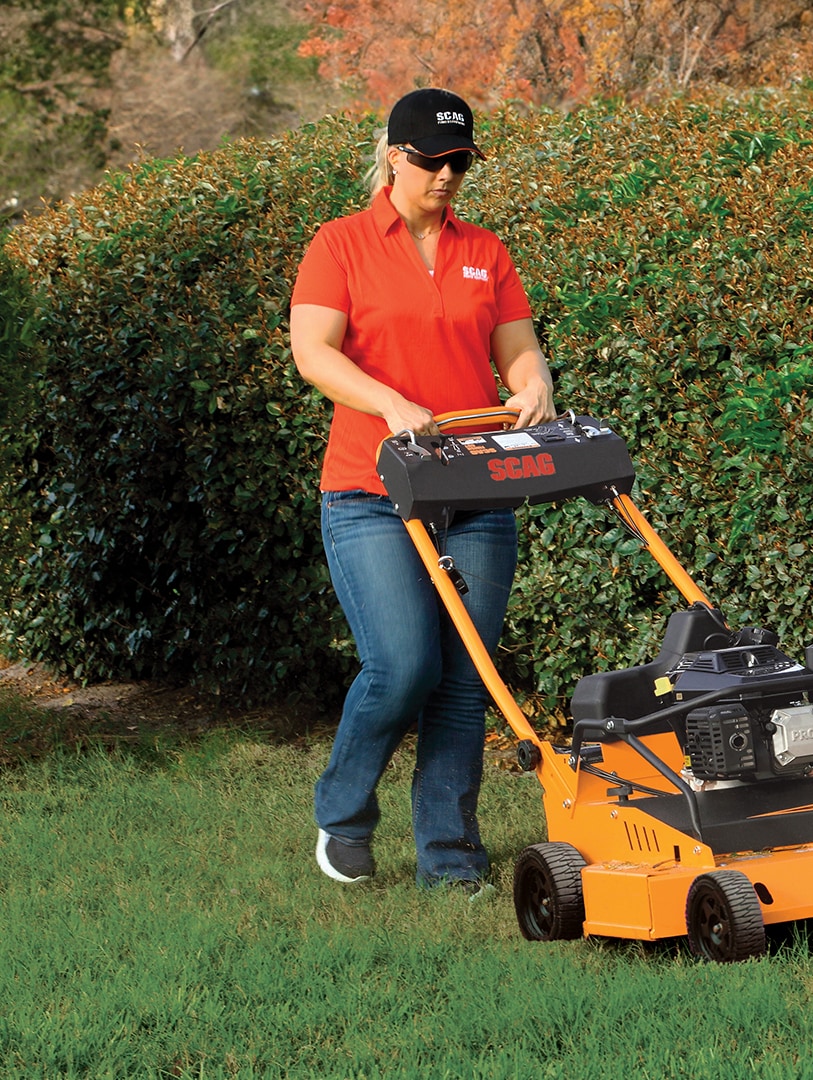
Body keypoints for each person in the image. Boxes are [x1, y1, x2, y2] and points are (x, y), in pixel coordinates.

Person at [289, 88, 554, 893]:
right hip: (370, 491)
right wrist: (389, 401)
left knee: (465, 675)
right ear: (394, 156)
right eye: (432, 160)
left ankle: (450, 859)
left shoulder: (486, 250)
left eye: (460, 162)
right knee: (402, 665)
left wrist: (533, 384)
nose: (446, 175)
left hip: (472, 485)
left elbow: (518, 351)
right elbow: (314, 351)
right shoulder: (338, 245)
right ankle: (342, 812)